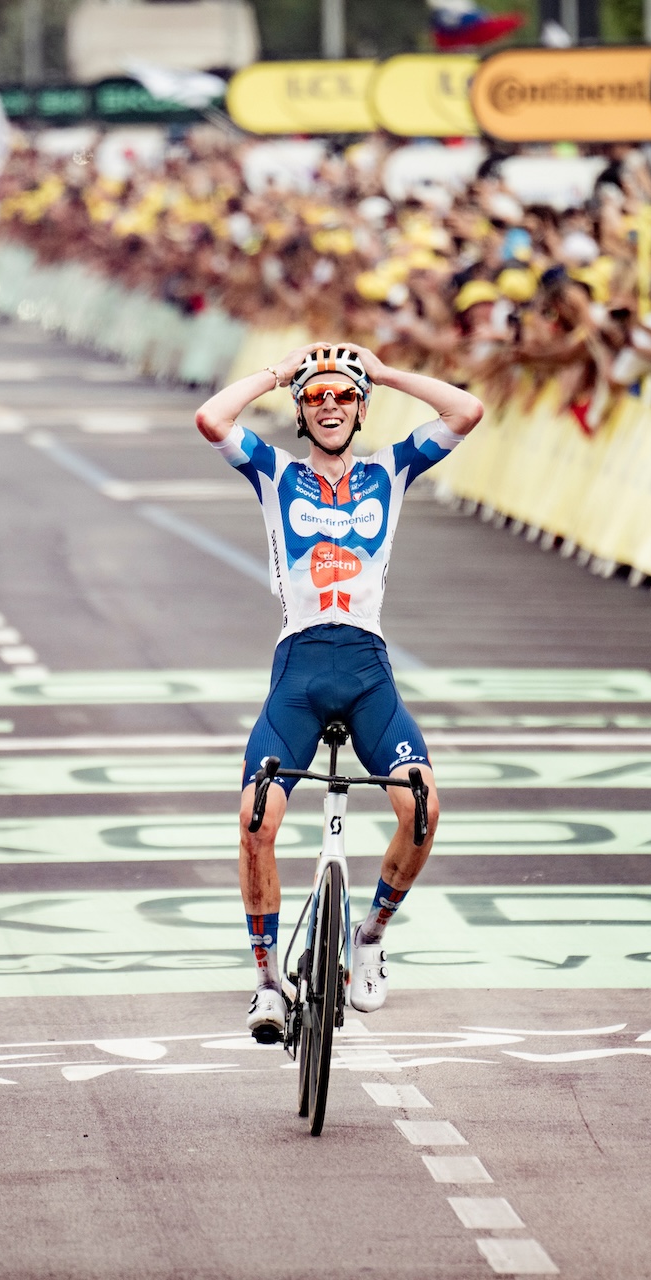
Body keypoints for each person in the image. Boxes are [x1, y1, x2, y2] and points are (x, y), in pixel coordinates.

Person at [191, 343, 484, 1042]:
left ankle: (372, 934)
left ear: (360, 410)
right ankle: (266, 983)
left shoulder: (391, 468)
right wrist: (280, 372)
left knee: (423, 809)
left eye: (344, 397)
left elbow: (466, 409)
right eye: (317, 397)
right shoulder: (276, 473)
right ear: (300, 408)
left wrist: (381, 372)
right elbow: (210, 418)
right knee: (255, 823)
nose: (330, 405)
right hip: (297, 668)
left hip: (366, 669)